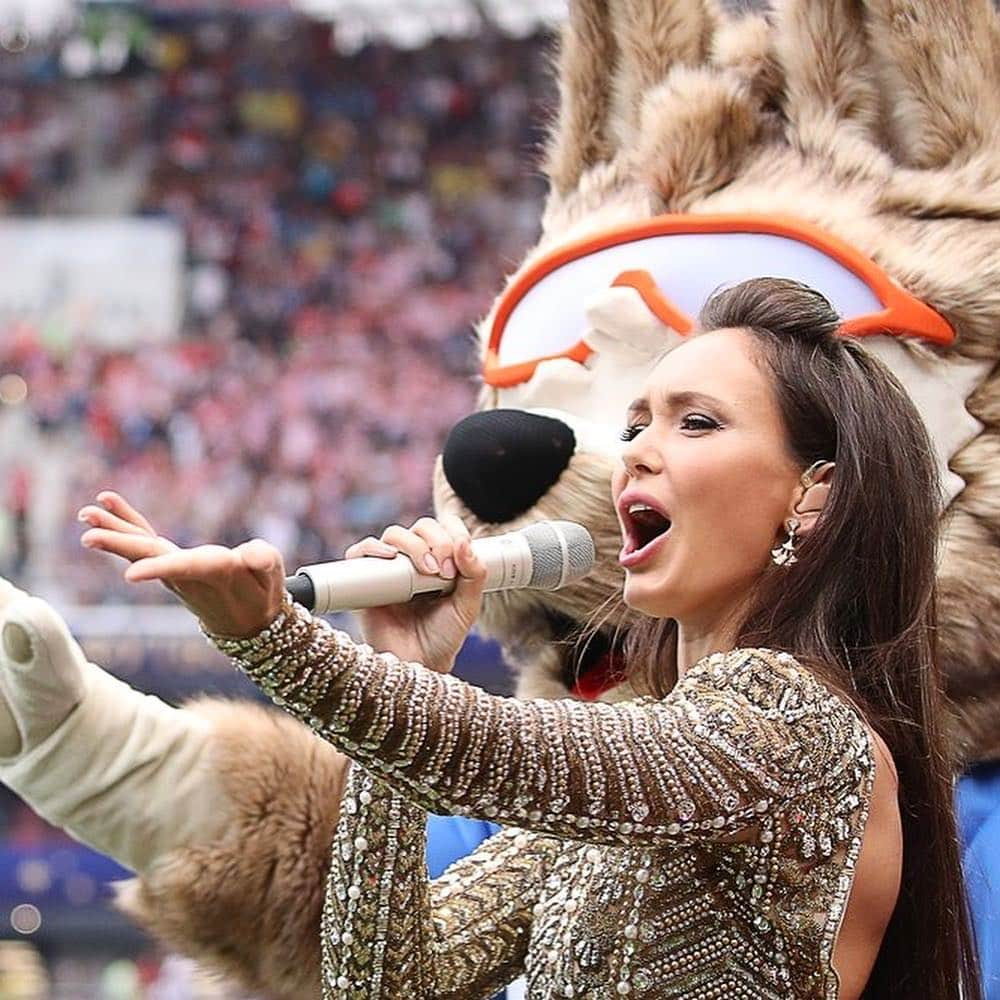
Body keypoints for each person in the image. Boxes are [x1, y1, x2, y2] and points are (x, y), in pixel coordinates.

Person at [78, 278, 982, 999]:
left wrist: (275, 637)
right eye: (636, 422)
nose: (634, 450)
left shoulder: (796, 731)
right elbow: (386, 982)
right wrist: (406, 669)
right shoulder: (653, 751)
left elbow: (499, 753)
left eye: (695, 421)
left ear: (811, 497)